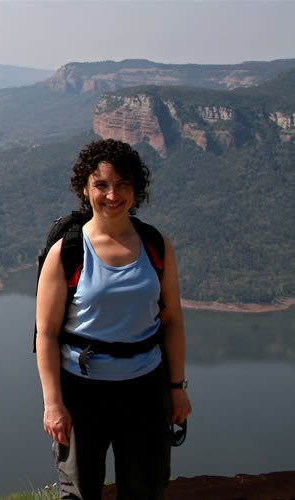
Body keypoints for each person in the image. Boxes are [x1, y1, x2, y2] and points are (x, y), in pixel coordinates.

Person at [35, 139, 192, 499]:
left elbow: (173, 322)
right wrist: (53, 403)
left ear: (136, 190)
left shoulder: (156, 245)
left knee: (146, 488)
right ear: (84, 189)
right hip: (81, 392)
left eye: (123, 185)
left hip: (145, 390)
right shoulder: (68, 251)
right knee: (79, 492)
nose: (112, 195)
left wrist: (176, 388)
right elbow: (45, 333)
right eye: (101, 185)